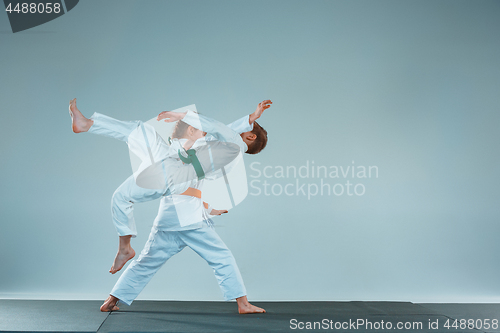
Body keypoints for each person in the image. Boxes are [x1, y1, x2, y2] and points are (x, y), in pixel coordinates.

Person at [69, 99, 271, 314]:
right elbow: (216, 138)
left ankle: (119, 273)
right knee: (219, 257)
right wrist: (250, 119)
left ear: (249, 137)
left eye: (247, 130)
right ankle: (112, 298)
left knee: (147, 256)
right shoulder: (212, 149)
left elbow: (221, 129)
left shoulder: (232, 146)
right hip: (182, 214)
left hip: (177, 202)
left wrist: (184, 116)